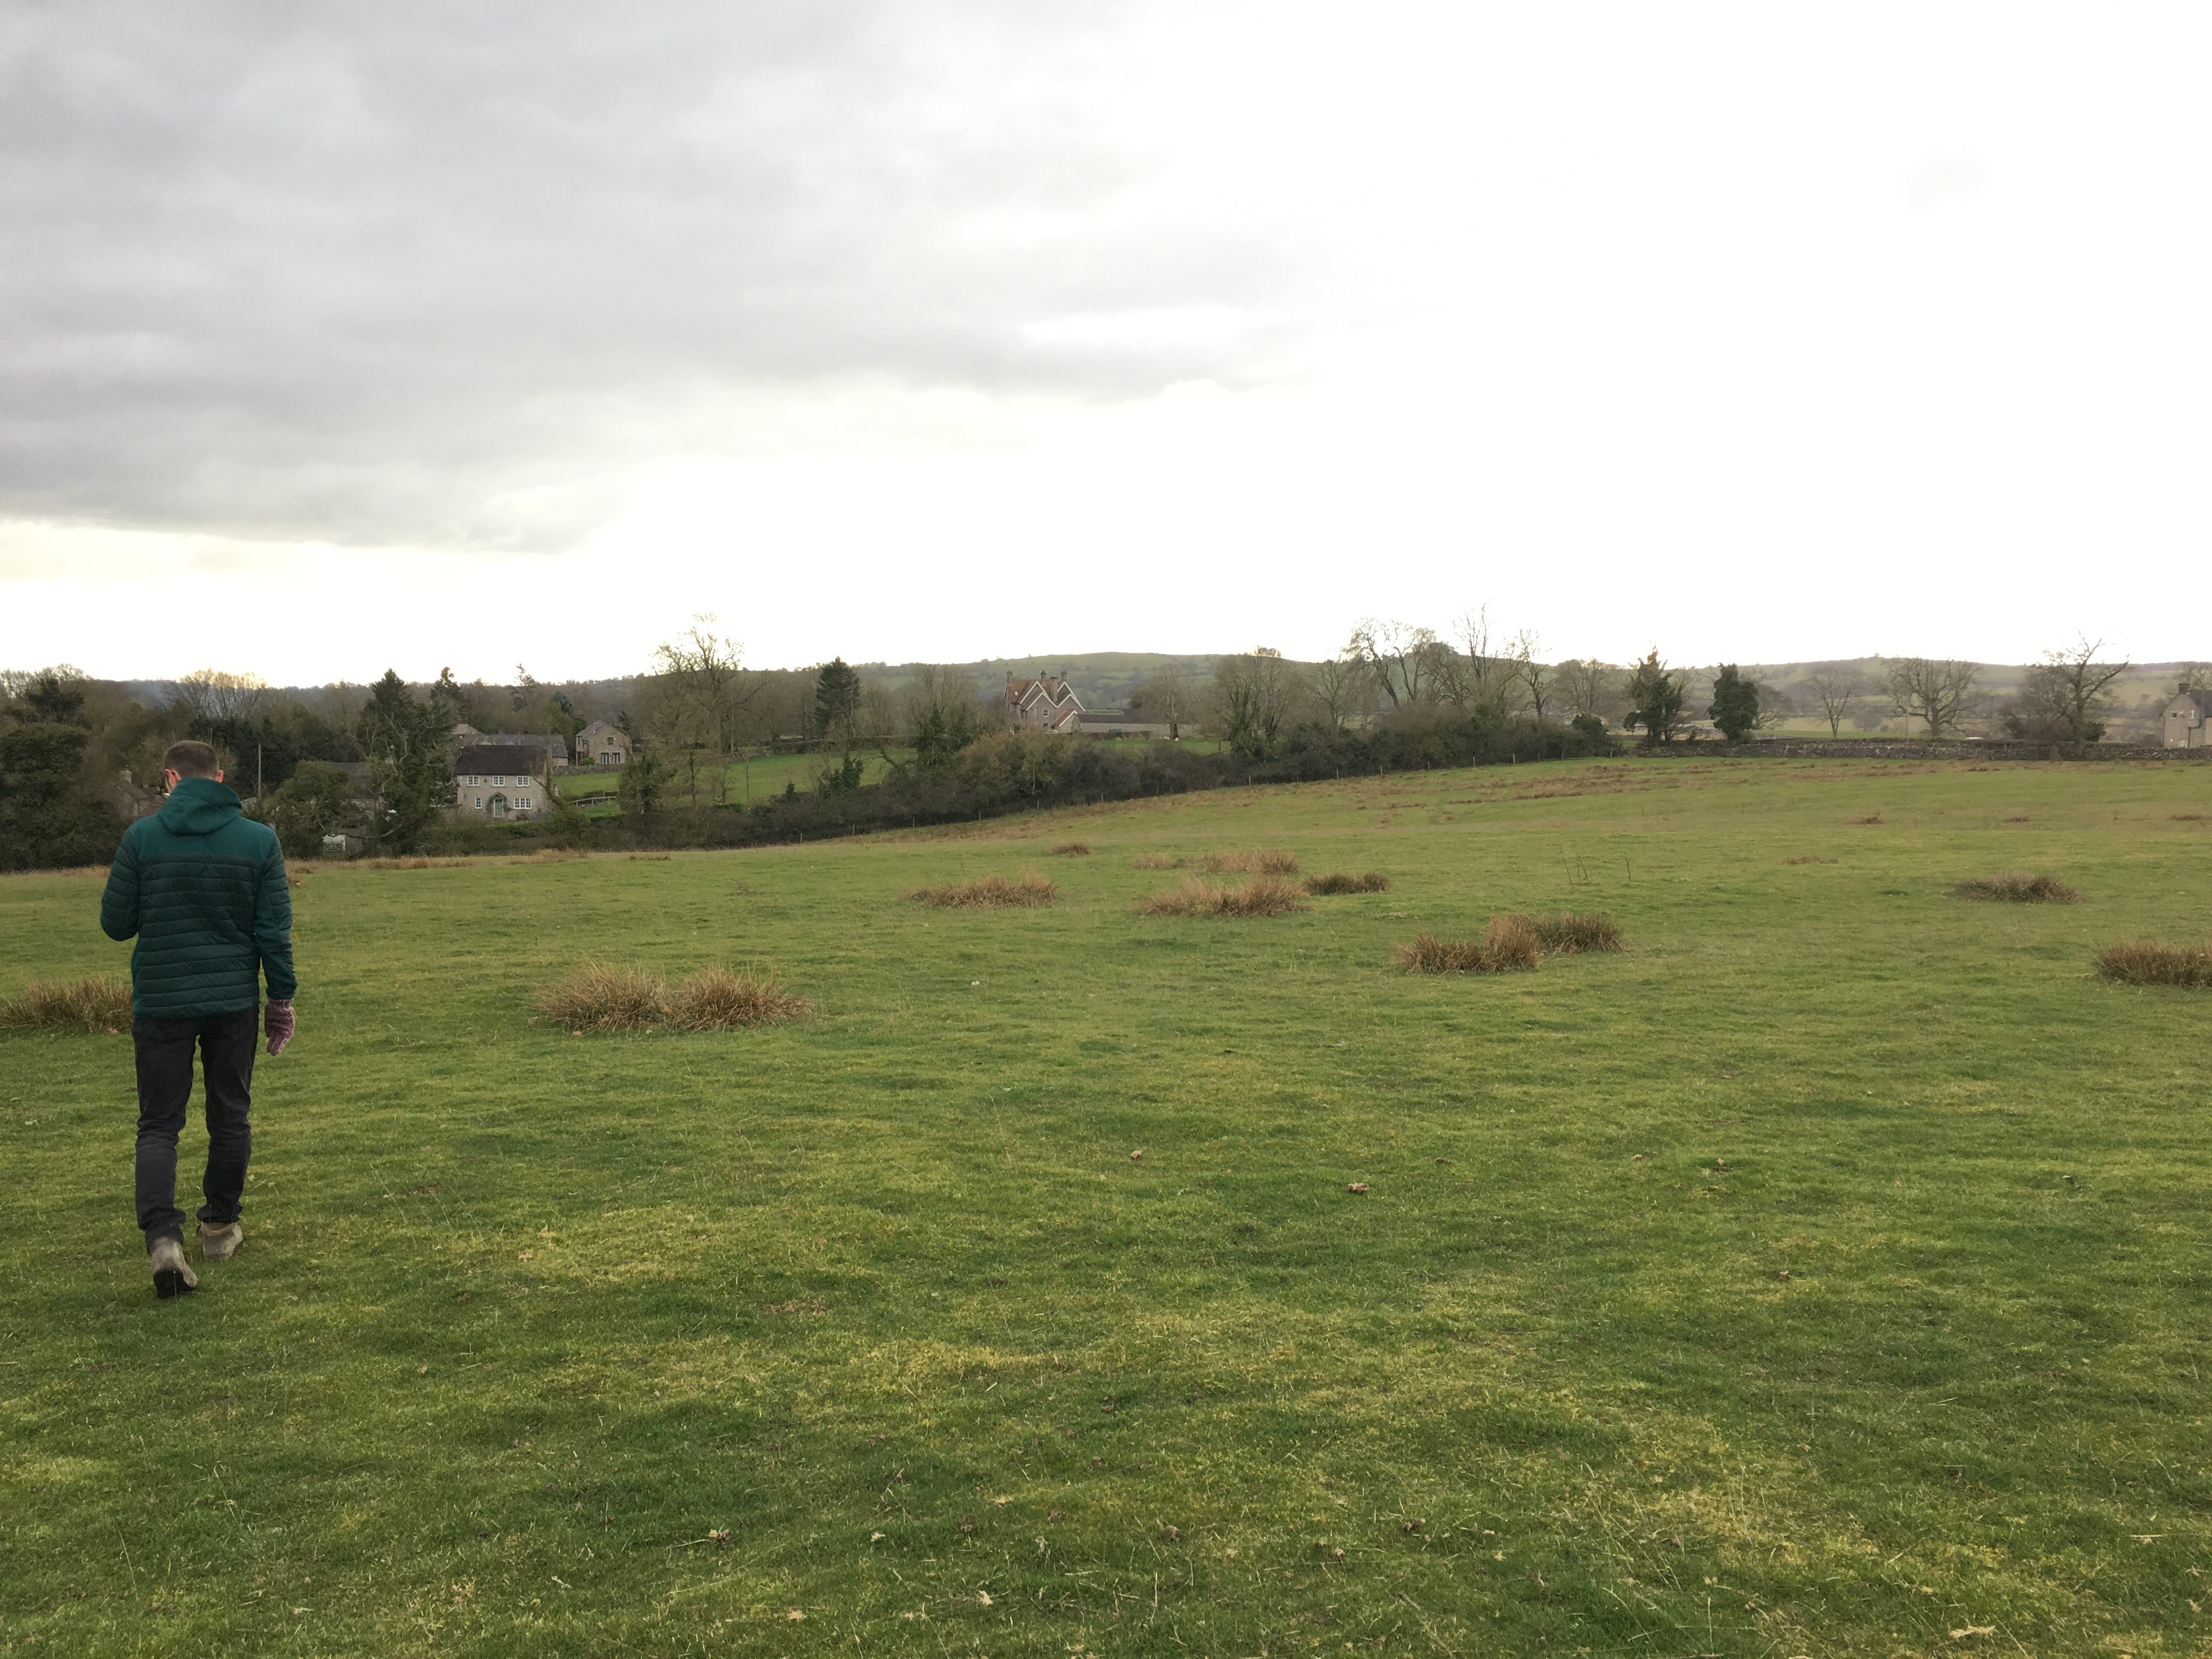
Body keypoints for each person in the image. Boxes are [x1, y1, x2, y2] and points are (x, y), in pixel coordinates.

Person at [100, 739, 296, 1299]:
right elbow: (273, 931)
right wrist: (280, 1000)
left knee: (159, 1123)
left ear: (170, 779)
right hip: (233, 1002)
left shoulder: (141, 838)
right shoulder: (259, 841)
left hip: (161, 1001)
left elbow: (116, 924)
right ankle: (219, 1227)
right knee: (230, 1114)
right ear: (221, 777)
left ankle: (164, 1239)